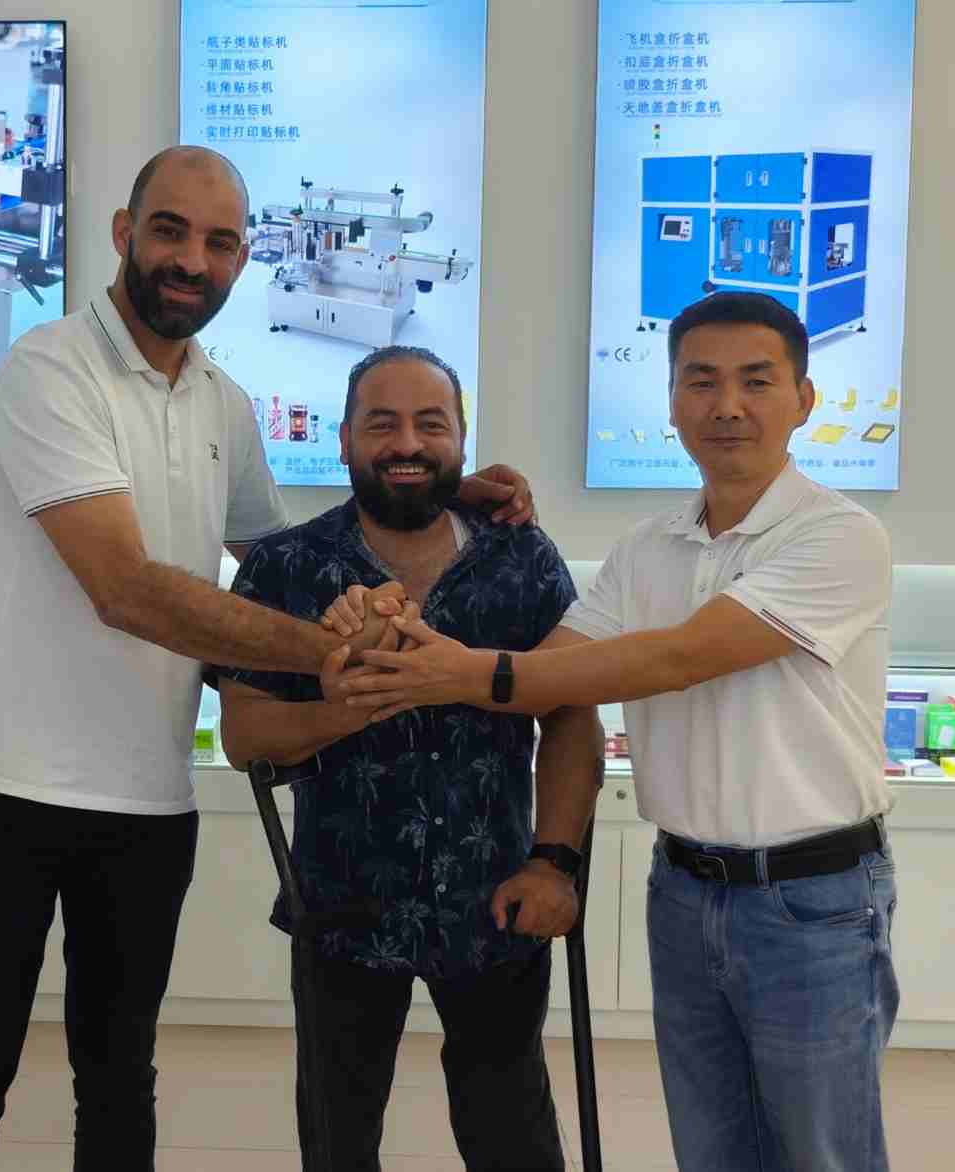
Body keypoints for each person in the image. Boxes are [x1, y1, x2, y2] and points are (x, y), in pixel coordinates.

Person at [0, 144, 538, 1171]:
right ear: (122, 232)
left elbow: (284, 557)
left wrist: (421, 482)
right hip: (5, 792)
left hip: (147, 801)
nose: (189, 259)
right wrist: (320, 654)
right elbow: (125, 586)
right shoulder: (48, 369)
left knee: (117, 1071)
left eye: (217, 241)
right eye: (169, 231)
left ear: (244, 257)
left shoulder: (221, 402)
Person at [331, 293, 897, 1171]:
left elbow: (673, 658)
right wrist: (399, 632)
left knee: (820, 1153)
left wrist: (468, 670)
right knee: (710, 1147)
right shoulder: (647, 548)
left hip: (810, 902)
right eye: (700, 382)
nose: (726, 406)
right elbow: (554, 668)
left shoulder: (838, 537)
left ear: (804, 399)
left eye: (756, 381)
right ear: (670, 401)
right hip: (682, 891)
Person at [213, 345, 603, 1171]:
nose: (406, 443)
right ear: (344, 440)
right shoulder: (287, 566)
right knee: (337, 1137)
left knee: (513, 1133)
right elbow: (246, 736)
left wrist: (554, 864)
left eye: (430, 423)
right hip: (338, 910)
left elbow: (571, 716)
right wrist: (344, 705)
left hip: (498, 899)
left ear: (461, 440)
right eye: (381, 423)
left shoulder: (520, 556)